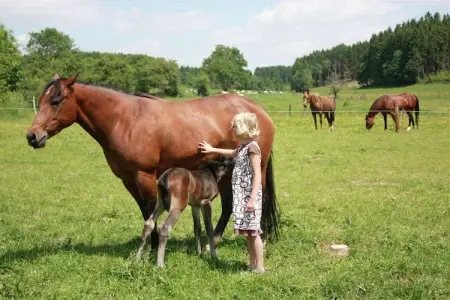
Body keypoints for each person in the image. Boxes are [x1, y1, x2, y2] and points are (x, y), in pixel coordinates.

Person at [198, 112, 265, 273]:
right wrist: (212, 149)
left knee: (254, 233)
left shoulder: (253, 148)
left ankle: (260, 267)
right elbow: (232, 153)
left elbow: (257, 176)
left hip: (250, 196)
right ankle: (252, 265)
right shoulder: (243, 147)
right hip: (244, 196)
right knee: (249, 232)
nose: (233, 129)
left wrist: (252, 199)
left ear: (243, 128)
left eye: (235, 126)